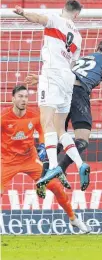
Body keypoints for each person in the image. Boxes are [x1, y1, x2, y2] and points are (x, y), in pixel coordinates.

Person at [13, 0, 90, 190]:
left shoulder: (55, 19)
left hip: (52, 74)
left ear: (63, 9)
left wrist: (23, 12)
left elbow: (38, 18)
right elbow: (71, 64)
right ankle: (81, 164)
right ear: (77, 15)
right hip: (68, 80)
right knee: (60, 129)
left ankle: (54, 166)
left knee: (46, 123)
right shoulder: (78, 37)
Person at [25, 38, 102, 191]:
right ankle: (60, 167)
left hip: (62, 89)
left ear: (97, 48)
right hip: (79, 92)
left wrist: (42, 78)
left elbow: (64, 73)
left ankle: (43, 177)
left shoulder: (82, 58)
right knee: (82, 139)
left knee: (58, 135)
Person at [1, 85, 90, 233]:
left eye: (26, 97)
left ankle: (74, 219)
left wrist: (42, 144)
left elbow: (42, 130)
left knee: (55, 186)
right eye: (20, 97)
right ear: (13, 99)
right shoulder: (3, 118)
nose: (24, 100)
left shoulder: (33, 114)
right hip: (7, 161)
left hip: (30, 159)